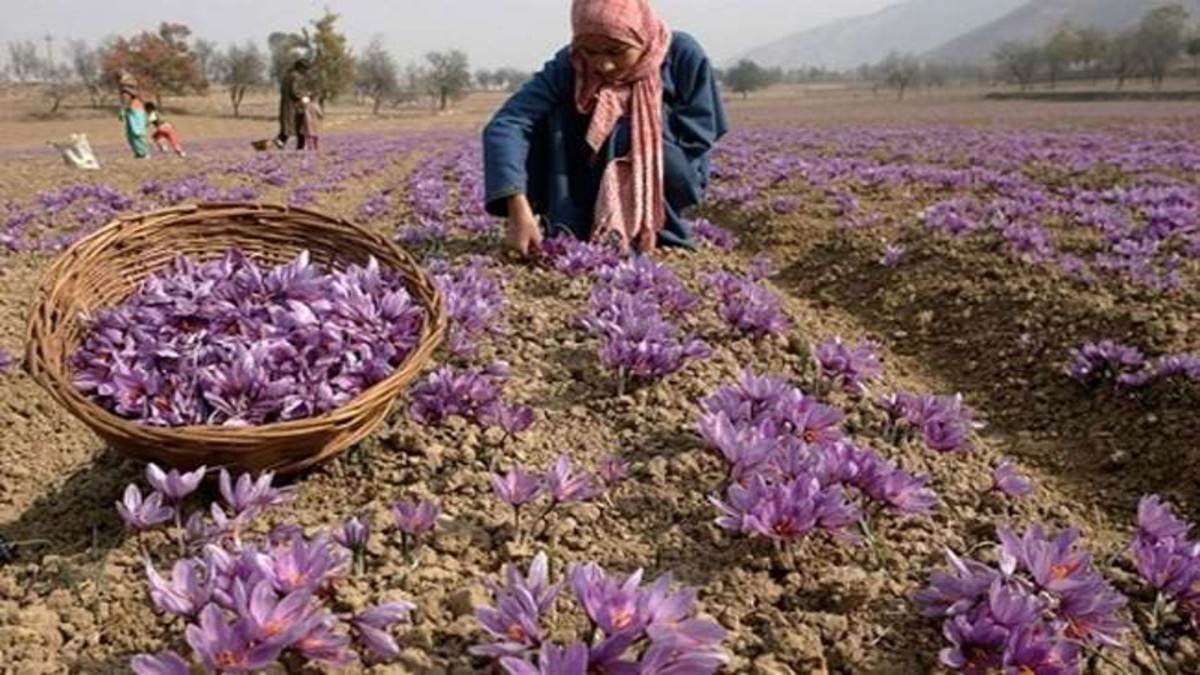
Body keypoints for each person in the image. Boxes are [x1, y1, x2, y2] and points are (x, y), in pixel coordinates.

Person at [483, 0, 728, 256]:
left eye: (617, 51)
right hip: (586, 175)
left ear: (641, 36)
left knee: (622, 127)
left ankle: (656, 229)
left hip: (668, 171)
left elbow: (698, 134)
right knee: (554, 115)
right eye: (590, 52)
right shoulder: (572, 62)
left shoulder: (680, 54)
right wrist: (517, 206)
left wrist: (628, 127)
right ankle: (570, 220)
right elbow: (508, 123)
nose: (603, 65)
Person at [275, 56, 313, 149]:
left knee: (287, 129)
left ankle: (279, 144)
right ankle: (299, 148)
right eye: (305, 69)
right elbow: (295, 92)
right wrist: (306, 95)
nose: (306, 71)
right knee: (300, 127)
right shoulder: (296, 76)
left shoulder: (287, 75)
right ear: (300, 68)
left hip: (287, 105)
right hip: (295, 107)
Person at [117, 85, 150, 160]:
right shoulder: (123, 93)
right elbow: (124, 103)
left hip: (137, 112)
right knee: (130, 135)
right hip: (130, 112)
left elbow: (141, 97)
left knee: (138, 133)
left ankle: (145, 153)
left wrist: (127, 90)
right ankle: (138, 153)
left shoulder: (135, 95)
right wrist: (123, 111)